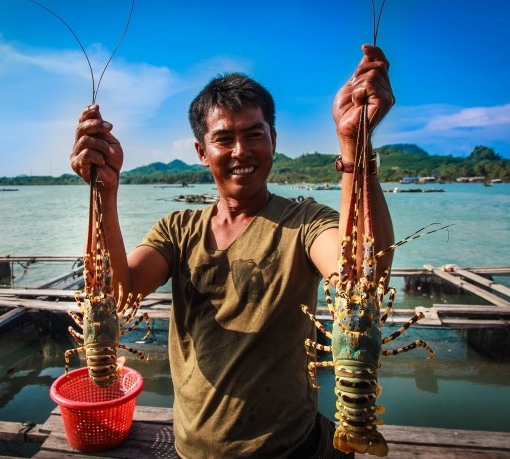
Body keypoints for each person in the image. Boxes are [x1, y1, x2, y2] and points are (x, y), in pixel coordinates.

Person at [70, 44, 395, 458]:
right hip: (193, 449)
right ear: (202, 152)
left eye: (254, 134)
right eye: (224, 139)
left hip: (291, 448)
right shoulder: (177, 229)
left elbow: (365, 277)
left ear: (274, 140)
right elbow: (119, 293)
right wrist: (104, 190)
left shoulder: (306, 222)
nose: (241, 151)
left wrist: (354, 143)